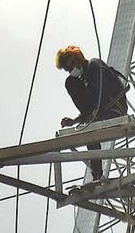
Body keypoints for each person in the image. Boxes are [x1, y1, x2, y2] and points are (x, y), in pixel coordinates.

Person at [55, 45, 130, 181]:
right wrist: (75, 120)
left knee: (89, 126)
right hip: (101, 111)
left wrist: (91, 114)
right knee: (71, 83)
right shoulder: (83, 78)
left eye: (70, 67)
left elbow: (104, 91)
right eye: (68, 69)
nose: (71, 71)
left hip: (114, 108)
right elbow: (90, 105)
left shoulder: (94, 66)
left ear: (76, 59)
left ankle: (96, 173)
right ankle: (97, 174)